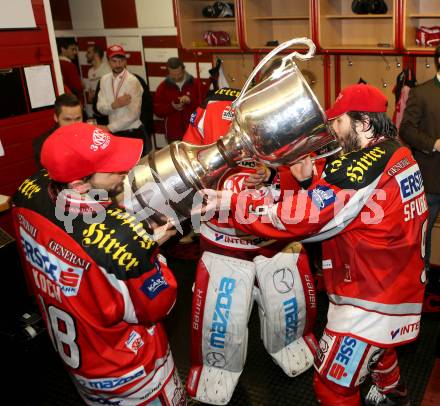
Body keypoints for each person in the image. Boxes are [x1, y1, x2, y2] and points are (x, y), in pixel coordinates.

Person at [201, 83, 427, 405]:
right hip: (391, 282)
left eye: (338, 122)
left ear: (363, 123)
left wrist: (232, 205)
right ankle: (394, 393)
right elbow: (351, 209)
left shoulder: (362, 166)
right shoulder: (397, 151)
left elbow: (301, 218)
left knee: (331, 385)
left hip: (369, 296)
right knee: (376, 346)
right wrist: (309, 180)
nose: (332, 130)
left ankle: (393, 393)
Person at [12, 122, 185, 405]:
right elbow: (161, 303)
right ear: (79, 184)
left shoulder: (25, 194)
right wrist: (151, 249)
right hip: (134, 372)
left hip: (81, 366)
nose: (125, 171)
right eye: (113, 169)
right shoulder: (124, 243)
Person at [183, 88, 318, 405]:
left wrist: (270, 173)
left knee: (288, 303)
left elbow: (304, 174)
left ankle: (289, 345)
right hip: (224, 235)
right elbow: (190, 167)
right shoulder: (211, 111)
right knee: (222, 314)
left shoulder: (293, 111)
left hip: (274, 232)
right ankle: (217, 368)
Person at [399, 45, 440, 291]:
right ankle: (419, 282)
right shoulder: (422, 93)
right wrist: (433, 143)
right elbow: (406, 129)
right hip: (431, 178)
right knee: (422, 235)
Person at [97, 44, 151, 155]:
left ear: (125, 61)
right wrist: (114, 105)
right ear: (108, 62)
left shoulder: (132, 81)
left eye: (121, 60)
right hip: (114, 134)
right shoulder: (104, 80)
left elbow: (134, 114)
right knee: (119, 171)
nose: (118, 64)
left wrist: (109, 127)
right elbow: (100, 107)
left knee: (137, 170)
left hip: (132, 133)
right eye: (114, 61)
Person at [153, 57, 206, 143]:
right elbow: (157, 110)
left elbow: (205, 106)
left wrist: (190, 101)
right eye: (173, 75)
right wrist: (172, 107)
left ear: (184, 69)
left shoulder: (196, 84)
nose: (176, 77)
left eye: (179, 74)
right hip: (173, 135)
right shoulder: (162, 87)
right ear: (168, 72)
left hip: (194, 132)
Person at [32, 93, 83, 168]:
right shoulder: (43, 144)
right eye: (67, 119)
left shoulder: (88, 136)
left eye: (78, 118)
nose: (73, 124)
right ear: (56, 118)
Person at [84, 45, 110, 121]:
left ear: (96, 54)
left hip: (107, 111)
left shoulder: (107, 69)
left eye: (89, 52)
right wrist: (90, 95)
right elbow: (89, 95)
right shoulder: (90, 71)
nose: (86, 55)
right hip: (96, 111)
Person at [57, 37, 84, 103]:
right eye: (72, 49)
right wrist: (82, 85)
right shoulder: (69, 65)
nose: (75, 52)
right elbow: (78, 87)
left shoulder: (56, 64)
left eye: (76, 49)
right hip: (73, 101)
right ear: (63, 49)